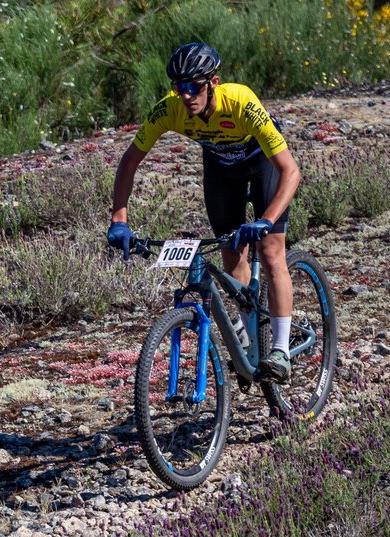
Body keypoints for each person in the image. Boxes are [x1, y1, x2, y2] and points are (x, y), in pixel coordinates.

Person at [107, 42, 300, 382]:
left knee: (270, 252)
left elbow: (290, 170)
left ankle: (281, 351)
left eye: (193, 86)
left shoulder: (240, 102)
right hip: (222, 168)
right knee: (231, 256)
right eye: (178, 87)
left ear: (213, 82)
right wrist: (119, 219)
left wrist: (266, 220)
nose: (185, 95)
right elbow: (130, 161)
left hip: (263, 164)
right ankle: (248, 345)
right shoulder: (169, 109)